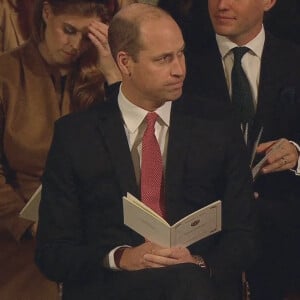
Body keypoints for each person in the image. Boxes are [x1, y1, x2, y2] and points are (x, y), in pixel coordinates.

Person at [35, 3, 257, 300]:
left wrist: (199, 262)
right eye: (164, 59)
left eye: (181, 53)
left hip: (199, 283)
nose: (179, 70)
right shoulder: (75, 136)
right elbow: (52, 251)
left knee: (187, 281)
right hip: (112, 285)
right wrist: (120, 258)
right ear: (125, 63)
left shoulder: (217, 126)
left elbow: (245, 234)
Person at [0, 0, 122, 299]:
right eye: (69, 30)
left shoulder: (100, 79)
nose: (76, 45)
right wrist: (25, 222)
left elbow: (131, 153)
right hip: (20, 232)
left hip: (94, 230)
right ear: (46, 12)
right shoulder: (6, 74)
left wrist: (114, 77)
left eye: (87, 36)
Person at [185, 0, 300, 299]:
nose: (221, 5)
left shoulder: (295, 59)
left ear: (268, 2)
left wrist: (298, 152)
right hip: (206, 243)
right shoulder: (182, 62)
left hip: (285, 240)